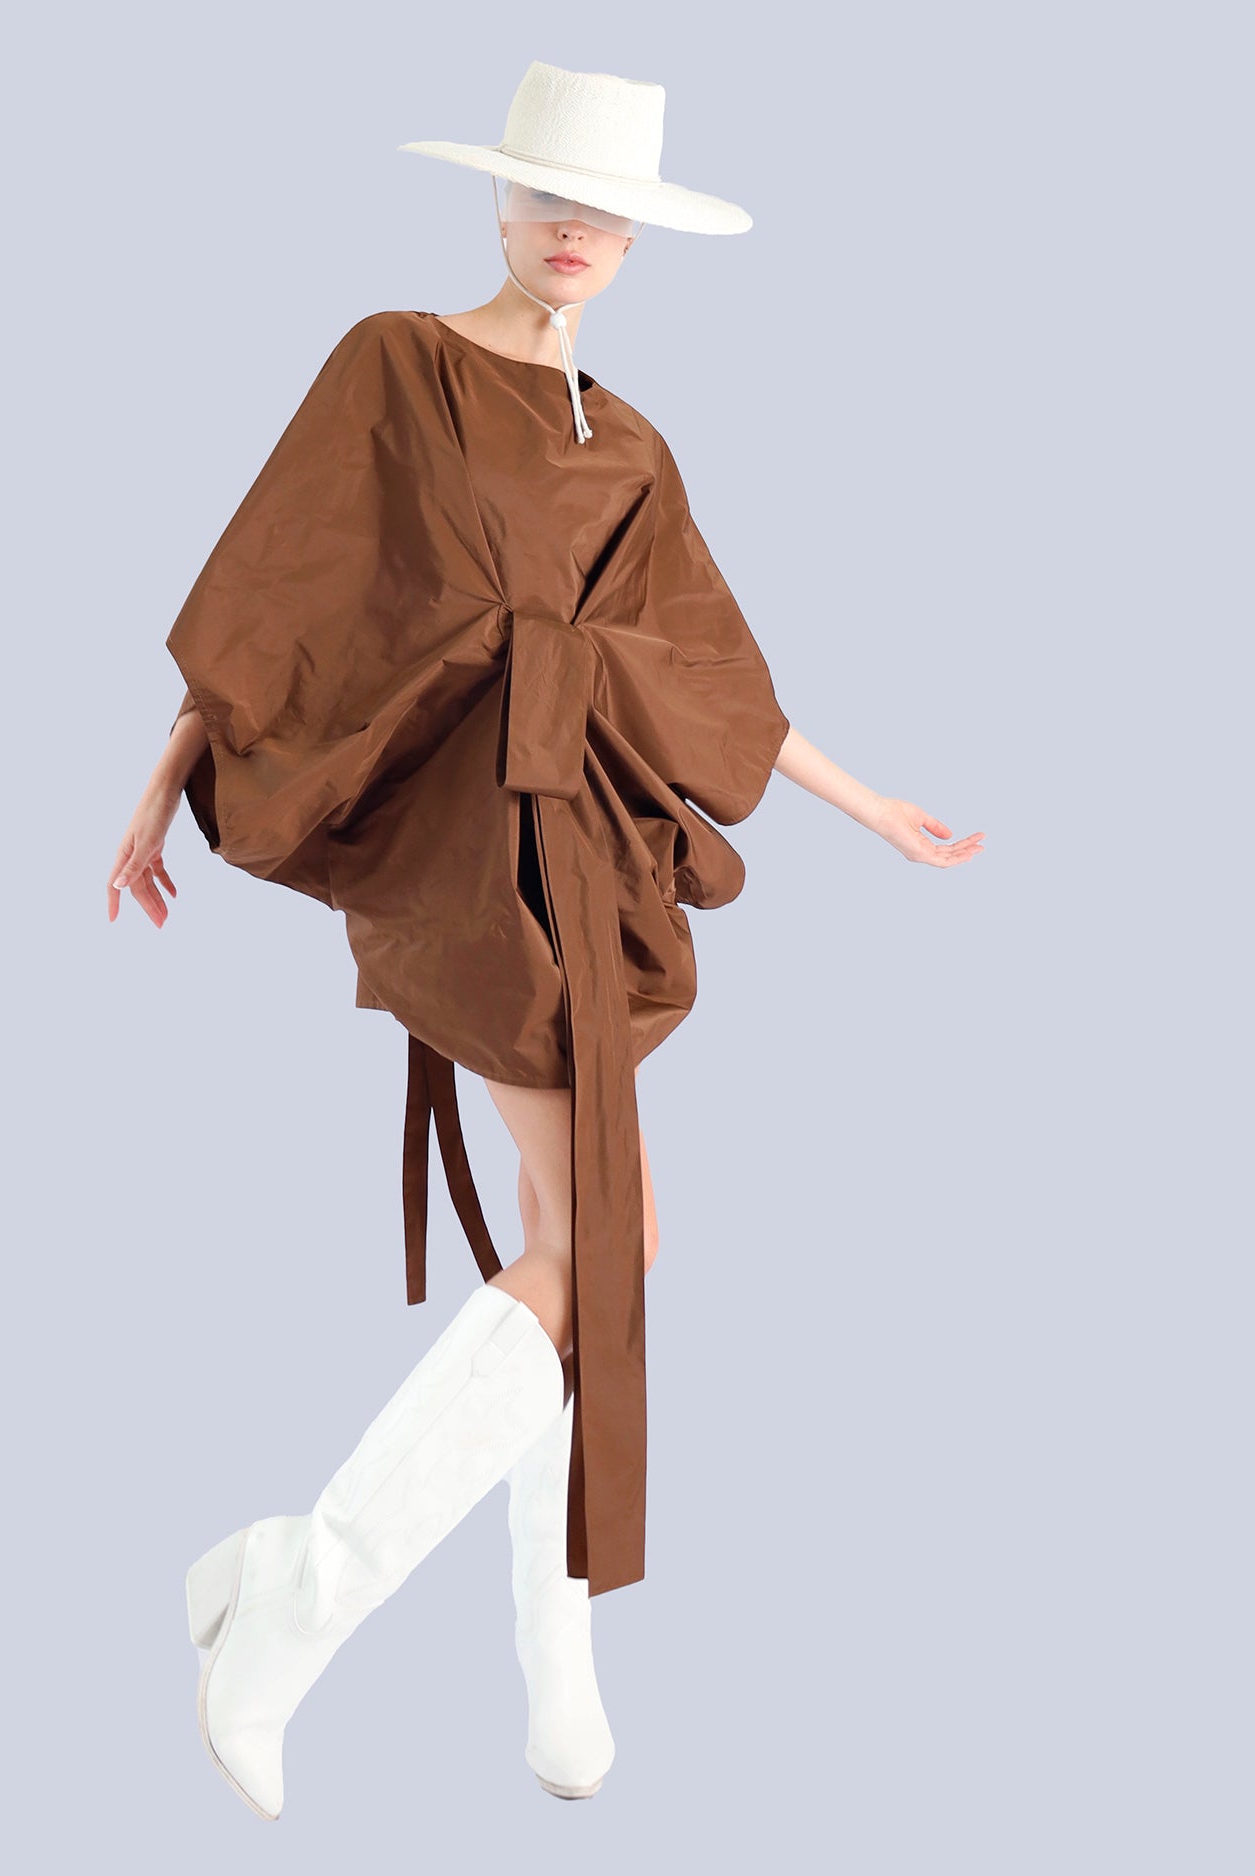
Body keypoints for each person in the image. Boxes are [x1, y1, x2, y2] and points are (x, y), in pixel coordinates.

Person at [106, 60, 984, 1824]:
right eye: (548, 197)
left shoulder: (634, 449)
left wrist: (869, 803)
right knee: (617, 1242)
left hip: (584, 851)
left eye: (606, 212)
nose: (575, 228)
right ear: (498, 205)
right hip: (457, 850)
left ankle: (550, 1667)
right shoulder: (397, 364)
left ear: (637, 244)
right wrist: (154, 791)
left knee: (585, 1243)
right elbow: (274, 599)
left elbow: (712, 674)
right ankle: (299, 1591)